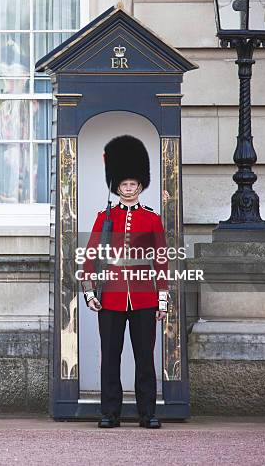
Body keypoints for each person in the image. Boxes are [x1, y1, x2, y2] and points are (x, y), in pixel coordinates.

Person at [81, 134, 170, 429]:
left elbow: (160, 259)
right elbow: (90, 255)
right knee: (111, 358)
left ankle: (148, 413)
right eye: (124, 184)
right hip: (112, 295)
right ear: (116, 186)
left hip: (144, 295)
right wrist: (90, 292)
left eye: (133, 184)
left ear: (140, 186)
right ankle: (110, 413)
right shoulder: (103, 217)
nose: (129, 189)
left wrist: (162, 298)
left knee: (145, 357)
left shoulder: (151, 219)